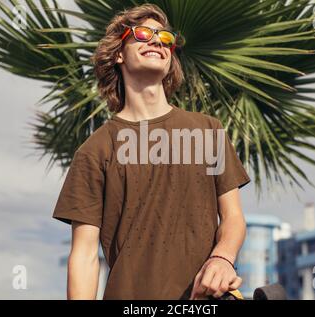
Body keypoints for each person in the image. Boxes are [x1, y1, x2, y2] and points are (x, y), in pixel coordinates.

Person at [52, 3, 251, 300]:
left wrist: (222, 258)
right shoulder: (94, 151)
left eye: (165, 37)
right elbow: (84, 256)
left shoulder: (208, 130)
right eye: (143, 33)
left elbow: (233, 218)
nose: (157, 40)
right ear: (118, 53)